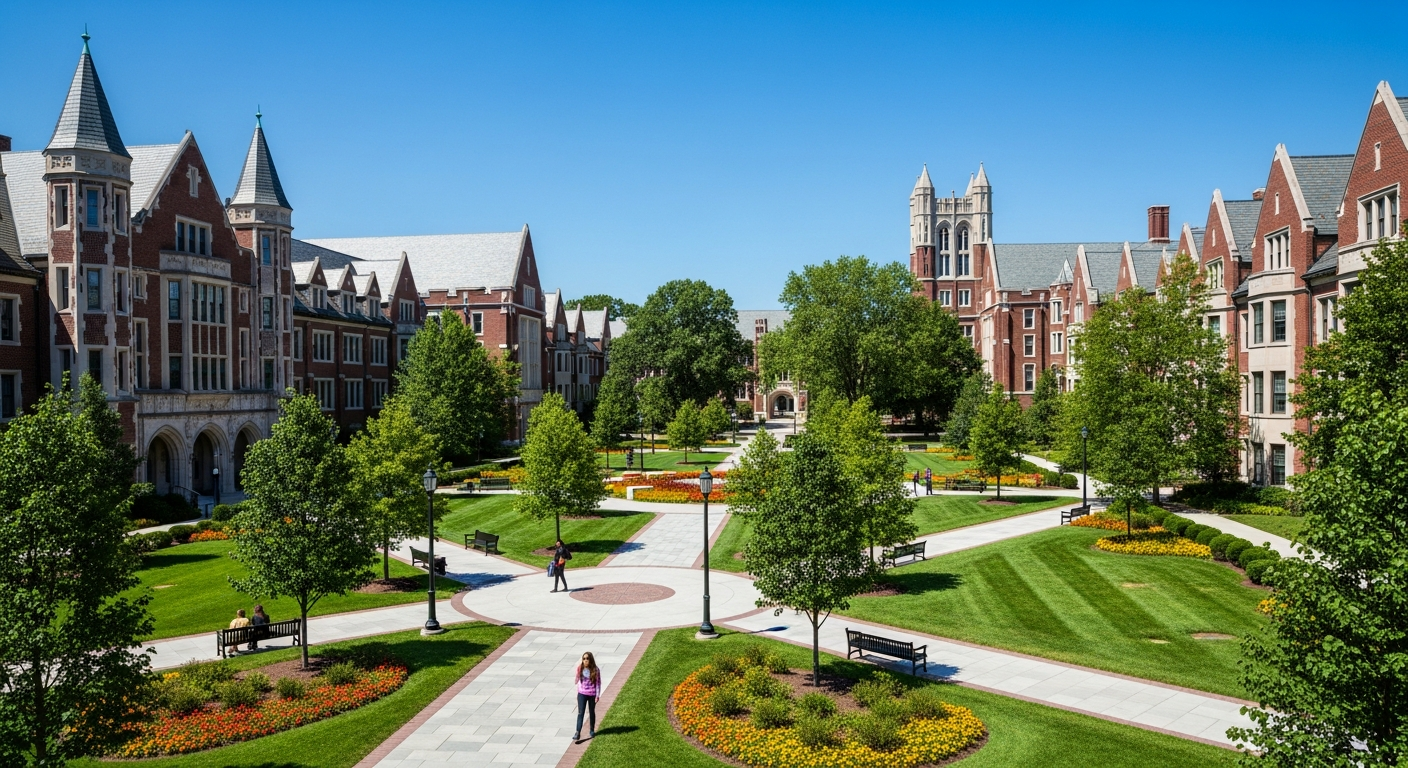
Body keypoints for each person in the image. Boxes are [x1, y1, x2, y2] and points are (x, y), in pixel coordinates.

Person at [572, 651, 602, 743]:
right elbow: (576, 681)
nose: (585, 660)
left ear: (591, 659)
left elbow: (598, 683)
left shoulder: (596, 670)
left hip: (592, 694)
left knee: (591, 712)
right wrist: (577, 674)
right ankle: (577, 732)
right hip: (582, 693)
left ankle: (592, 730)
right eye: (584, 658)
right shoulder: (580, 668)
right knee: (580, 713)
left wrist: (597, 695)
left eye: (587, 658)